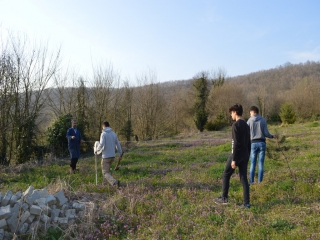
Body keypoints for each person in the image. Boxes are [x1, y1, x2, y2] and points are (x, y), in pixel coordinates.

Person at [215, 104, 251, 208]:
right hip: (245, 155)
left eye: (231, 113)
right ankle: (246, 203)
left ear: (235, 112)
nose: (231, 115)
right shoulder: (246, 125)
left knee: (226, 174)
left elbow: (235, 143)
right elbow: (249, 142)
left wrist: (234, 159)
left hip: (236, 155)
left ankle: (224, 198)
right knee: (243, 178)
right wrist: (248, 154)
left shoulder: (236, 125)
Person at [247, 106, 275, 184]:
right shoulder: (263, 120)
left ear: (252, 112)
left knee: (252, 163)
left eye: (250, 113)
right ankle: (260, 182)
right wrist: (272, 136)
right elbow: (266, 133)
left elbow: (247, 134)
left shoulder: (249, 121)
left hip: (253, 144)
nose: (250, 115)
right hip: (262, 143)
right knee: (261, 163)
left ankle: (251, 182)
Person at [95, 121, 123, 188]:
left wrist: (96, 150)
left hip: (106, 156)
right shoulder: (114, 134)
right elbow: (118, 145)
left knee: (105, 172)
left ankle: (114, 182)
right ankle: (105, 184)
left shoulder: (103, 134)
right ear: (109, 126)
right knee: (107, 171)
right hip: (112, 156)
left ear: (103, 126)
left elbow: (101, 144)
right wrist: (120, 154)